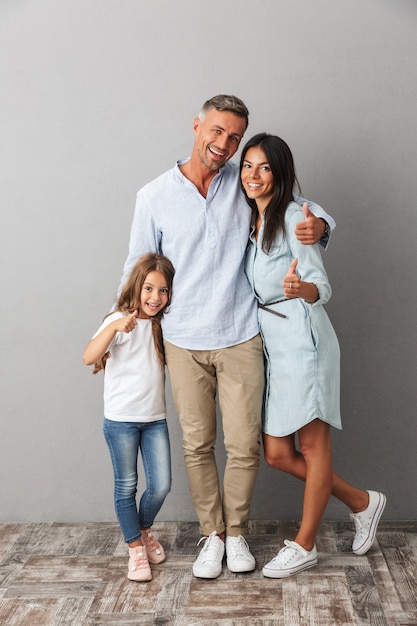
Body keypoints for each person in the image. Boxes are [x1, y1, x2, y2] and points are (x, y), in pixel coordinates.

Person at [117, 95, 335, 579]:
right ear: (197, 126)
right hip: (182, 338)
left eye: (234, 137)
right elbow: (137, 269)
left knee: (244, 446)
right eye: (217, 132)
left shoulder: (243, 185)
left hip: (241, 334)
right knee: (196, 445)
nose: (224, 145)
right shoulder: (153, 196)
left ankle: (237, 534)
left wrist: (321, 225)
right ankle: (212, 535)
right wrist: (121, 331)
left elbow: (298, 207)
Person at [241, 132, 386, 578]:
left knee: (312, 445)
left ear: (280, 173)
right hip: (276, 347)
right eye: (248, 165)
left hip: (306, 343)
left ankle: (304, 545)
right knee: (278, 454)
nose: (254, 175)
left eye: (265, 167)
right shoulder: (253, 220)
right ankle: (363, 502)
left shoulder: (293, 218)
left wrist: (299, 287)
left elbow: (322, 288)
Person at [83, 253, 175, 582]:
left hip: (154, 420)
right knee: (126, 486)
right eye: (149, 288)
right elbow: (88, 356)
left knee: (161, 485)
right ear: (136, 287)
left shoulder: (164, 325)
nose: (155, 297)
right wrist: (113, 327)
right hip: (121, 421)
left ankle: (143, 530)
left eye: (163, 291)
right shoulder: (120, 320)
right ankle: (136, 547)